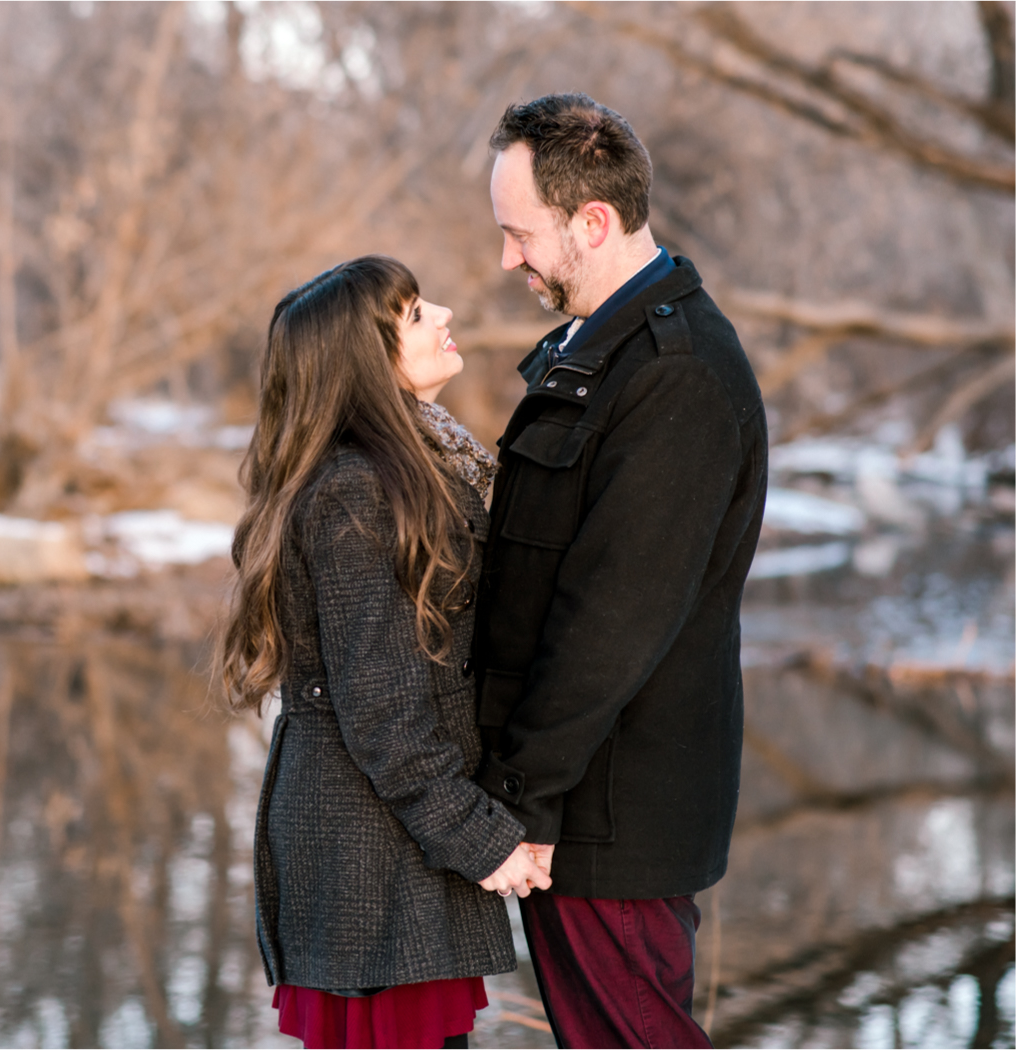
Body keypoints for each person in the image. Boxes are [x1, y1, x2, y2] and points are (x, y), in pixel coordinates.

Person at [472, 93, 768, 1049]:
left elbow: (611, 622)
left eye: (519, 234)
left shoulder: (673, 373)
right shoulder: (593, 350)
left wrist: (519, 805)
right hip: (576, 812)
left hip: (607, 821)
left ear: (591, 222)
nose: (507, 257)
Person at [222, 256, 552, 1050]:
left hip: (392, 848)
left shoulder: (414, 466)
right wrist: (481, 839)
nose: (441, 312)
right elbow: (381, 709)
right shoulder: (354, 490)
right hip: (368, 859)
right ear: (363, 363)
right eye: (411, 314)